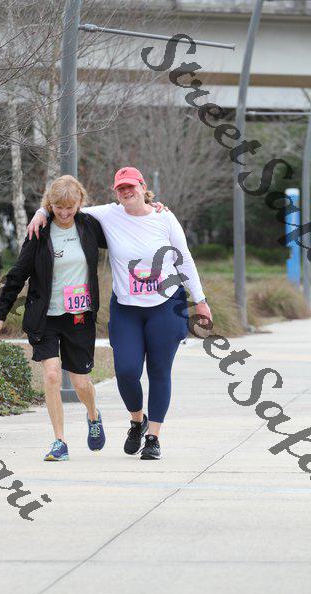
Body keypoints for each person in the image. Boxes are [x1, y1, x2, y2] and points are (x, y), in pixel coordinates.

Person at [28, 167, 212, 460]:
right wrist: (41, 211)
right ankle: (137, 421)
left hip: (165, 306)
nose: (126, 192)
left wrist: (200, 300)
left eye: (131, 187)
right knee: (126, 372)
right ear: (116, 192)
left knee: (159, 371)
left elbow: (184, 259)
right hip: (127, 309)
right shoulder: (109, 214)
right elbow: (67, 205)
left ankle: (153, 438)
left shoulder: (165, 218)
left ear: (142, 187)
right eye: (120, 188)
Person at [0, 175, 107, 461]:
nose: (64, 213)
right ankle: (59, 442)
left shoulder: (90, 226)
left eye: (70, 207)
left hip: (79, 317)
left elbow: (126, 224)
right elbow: (17, 275)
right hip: (45, 317)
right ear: (50, 204)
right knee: (52, 374)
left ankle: (93, 415)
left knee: (80, 383)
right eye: (58, 207)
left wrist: (154, 208)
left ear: (79, 202)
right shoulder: (39, 233)